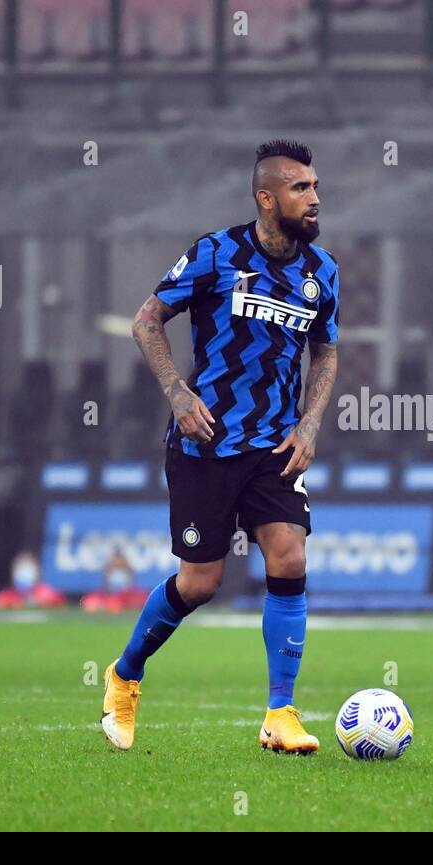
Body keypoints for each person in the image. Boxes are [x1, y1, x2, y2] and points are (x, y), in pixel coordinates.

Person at [98, 139, 339, 755]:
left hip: (275, 447)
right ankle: (125, 675)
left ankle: (280, 713)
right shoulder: (215, 254)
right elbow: (147, 320)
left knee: (288, 561)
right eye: (300, 188)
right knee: (200, 583)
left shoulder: (322, 273)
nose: (314, 198)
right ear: (267, 198)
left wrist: (309, 424)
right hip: (207, 442)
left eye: (314, 186)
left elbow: (326, 350)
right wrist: (178, 394)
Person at [0, 551, 66, 609]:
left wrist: (39, 603)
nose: (24, 574)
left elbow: (59, 604)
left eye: (27, 569)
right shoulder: (8, 595)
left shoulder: (48, 594)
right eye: (21, 569)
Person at [81, 552, 149, 613]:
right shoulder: (98, 595)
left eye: (122, 568)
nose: (118, 573)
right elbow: (88, 604)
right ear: (106, 573)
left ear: (130, 573)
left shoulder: (140, 596)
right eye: (114, 568)